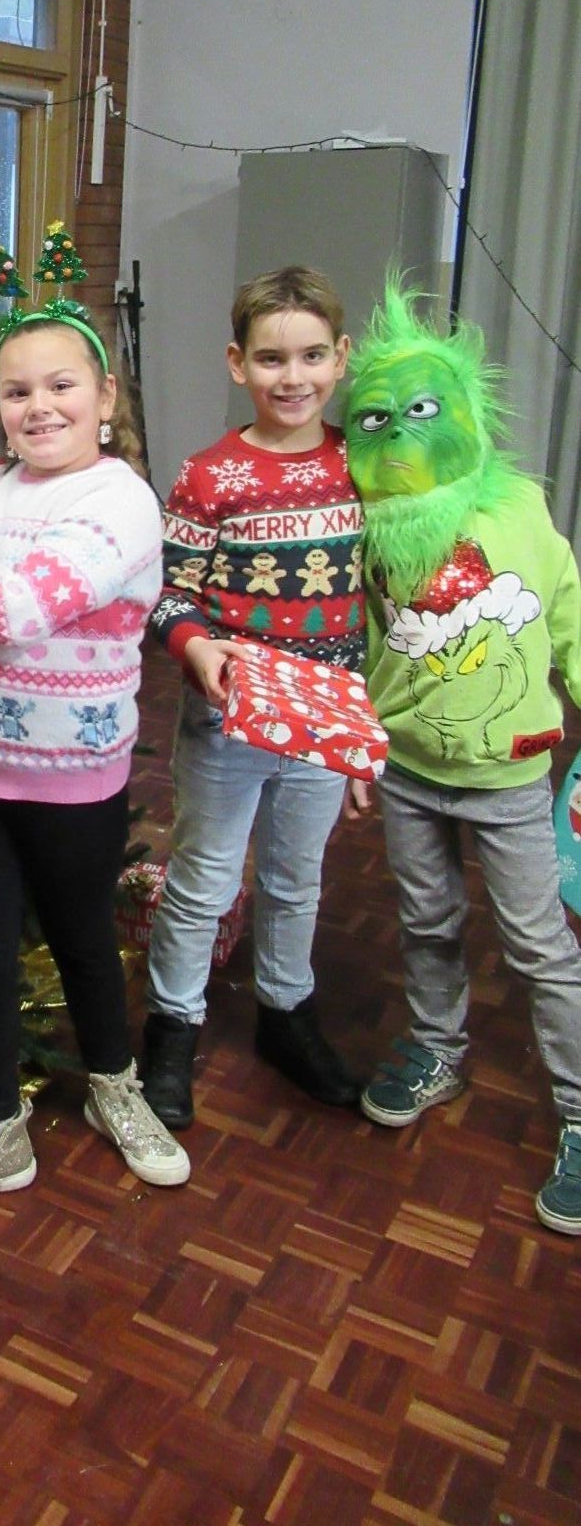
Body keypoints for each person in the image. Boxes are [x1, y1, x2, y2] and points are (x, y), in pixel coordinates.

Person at [0, 296, 189, 1211]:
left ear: (105, 398)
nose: (37, 406)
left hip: (71, 786)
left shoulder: (122, 499)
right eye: (15, 391)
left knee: (84, 944)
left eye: (61, 385)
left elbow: (15, 609)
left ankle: (116, 1091)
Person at [345, 285, 581, 1234]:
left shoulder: (521, 509)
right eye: (379, 419)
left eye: (421, 412)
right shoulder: (368, 526)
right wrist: (359, 745)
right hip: (407, 771)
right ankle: (439, 1047)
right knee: (428, 918)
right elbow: (358, 645)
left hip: (513, 776)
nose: (399, 434)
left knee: (538, 945)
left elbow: (566, 614)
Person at [140, 266, 365, 1132]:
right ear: (238, 364)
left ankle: (287, 1014)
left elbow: (383, 596)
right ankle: (173, 1026)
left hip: (322, 722)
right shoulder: (211, 475)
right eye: (272, 359)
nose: (293, 376)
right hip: (228, 721)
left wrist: (362, 731)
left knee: (296, 878)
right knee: (203, 878)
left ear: (340, 359)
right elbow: (168, 593)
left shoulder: (361, 466)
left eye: (312, 356)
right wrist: (197, 646)